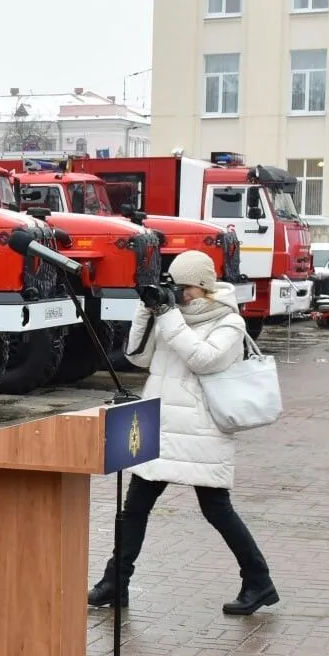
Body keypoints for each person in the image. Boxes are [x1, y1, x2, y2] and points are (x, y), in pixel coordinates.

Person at [87, 250, 279, 616]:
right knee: (134, 510)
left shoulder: (228, 322)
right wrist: (147, 311)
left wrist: (169, 315)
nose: (181, 296)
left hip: (200, 431)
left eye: (187, 288)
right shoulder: (171, 316)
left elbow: (203, 359)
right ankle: (116, 581)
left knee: (217, 510)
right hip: (159, 424)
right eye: (175, 288)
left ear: (205, 287)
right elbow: (137, 357)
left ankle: (258, 581)